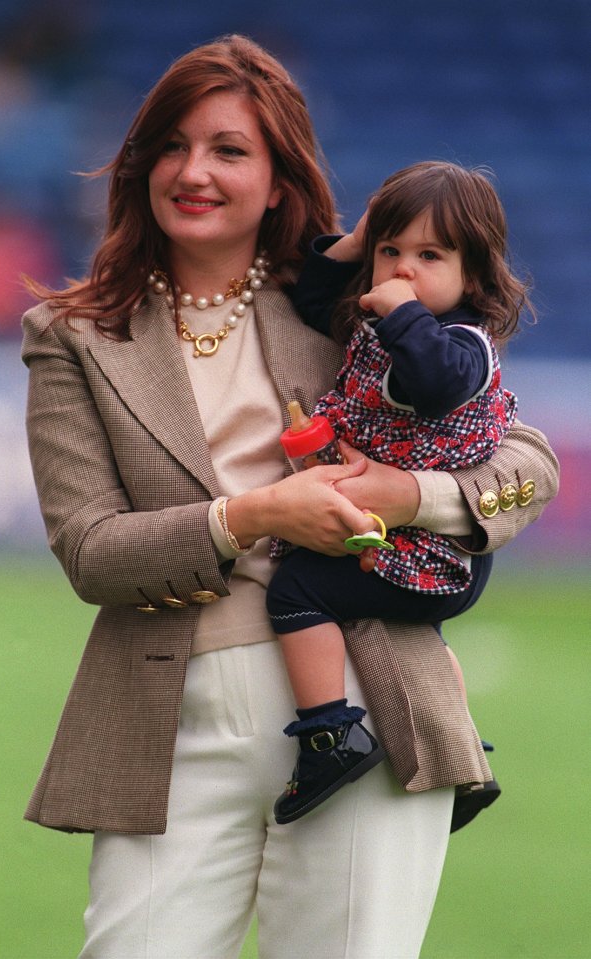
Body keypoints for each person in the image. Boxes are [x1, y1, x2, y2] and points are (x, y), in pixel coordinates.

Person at [21, 34, 559, 959]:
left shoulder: (351, 304)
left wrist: (410, 493)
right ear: (140, 163)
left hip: (373, 703)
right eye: (173, 145)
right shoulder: (69, 334)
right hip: (165, 720)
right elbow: (93, 552)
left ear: (279, 180)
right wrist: (255, 516)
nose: (194, 171)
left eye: (230, 150)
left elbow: (530, 469)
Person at [267, 161, 528, 825]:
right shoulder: (389, 321)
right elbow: (311, 301)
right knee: (426, 640)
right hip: (414, 544)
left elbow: (435, 382)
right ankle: (460, 753)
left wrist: (404, 309)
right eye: (393, 251)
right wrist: (358, 244)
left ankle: (329, 734)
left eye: (429, 256)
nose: (404, 270)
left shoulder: (458, 345)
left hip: (436, 549)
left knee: (296, 588)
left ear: (472, 274)